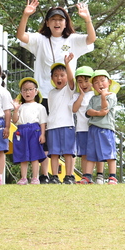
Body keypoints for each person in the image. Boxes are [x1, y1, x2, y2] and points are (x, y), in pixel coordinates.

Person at [16, 0, 96, 182]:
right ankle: (44, 175)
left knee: (67, 137)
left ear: (66, 22)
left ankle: (68, 175)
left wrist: (87, 19)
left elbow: (91, 39)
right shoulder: (40, 40)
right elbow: (21, 36)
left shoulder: (72, 40)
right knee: (43, 136)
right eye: (53, 19)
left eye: (61, 19)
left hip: (66, 96)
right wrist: (26, 14)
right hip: (44, 95)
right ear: (47, 23)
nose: (57, 22)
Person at [80, 70, 119, 185]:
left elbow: (105, 109)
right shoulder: (92, 98)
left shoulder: (112, 96)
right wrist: (98, 112)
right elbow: (88, 111)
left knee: (109, 153)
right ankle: (87, 176)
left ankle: (112, 177)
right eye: (96, 82)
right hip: (93, 129)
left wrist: (103, 98)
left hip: (106, 128)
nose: (100, 84)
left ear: (109, 82)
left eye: (102, 80)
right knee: (91, 153)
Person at [45, 54, 77, 184]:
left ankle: (69, 176)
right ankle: (54, 177)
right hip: (52, 126)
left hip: (67, 125)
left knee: (68, 152)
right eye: (56, 75)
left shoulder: (69, 90)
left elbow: (71, 80)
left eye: (62, 75)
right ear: (52, 78)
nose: (59, 78)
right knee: (54, 153)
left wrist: (67, 64)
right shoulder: (51, 93)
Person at [70, 65, 105, 183]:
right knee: (84, 154)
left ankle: (100, 175)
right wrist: (81, 96)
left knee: (98, 152)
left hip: (95, 128)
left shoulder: (96, 95)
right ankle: (86, 176)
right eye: (80, 82)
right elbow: (74, 109)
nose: (84, 84)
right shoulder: (76, 96)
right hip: (81, 129)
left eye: (86, 81)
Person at [11, 77, 47, 185]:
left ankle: (35, 177)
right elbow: (15, 120)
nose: (27, 92)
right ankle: (23, 177)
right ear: (21, 92)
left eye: (30, 89)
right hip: (21, 131)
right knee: (23, 155)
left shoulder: (40, 107)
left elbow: (42, 122)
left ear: (36, 91)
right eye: (24, 90)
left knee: (35, 155)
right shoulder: (20, 107)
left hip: (35, 131)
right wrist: (16, 110)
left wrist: (43, 135)